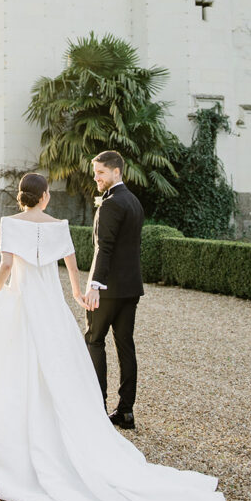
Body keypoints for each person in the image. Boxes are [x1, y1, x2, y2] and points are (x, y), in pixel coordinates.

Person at [0, 172, 251, 501]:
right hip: (49, 306)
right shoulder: (58, 225)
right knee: (60, 363)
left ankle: (12, 431)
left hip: (20, 302)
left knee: (11, 364)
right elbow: (70, 261)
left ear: (23, 197)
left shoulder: (10, 223)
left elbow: (6, 264)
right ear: (45, 197)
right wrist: (77, 293)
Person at [84, 150, 144, 430]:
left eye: (101, 173)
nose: (96, 177)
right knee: (125, 346)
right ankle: (126, 411)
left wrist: (95, 285)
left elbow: (103, 248)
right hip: (131, 288)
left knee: (94, 340)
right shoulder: (133, 202)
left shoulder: (110, 205)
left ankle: (97, 407)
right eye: (95, 172)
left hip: (107, 290)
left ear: (116, 172)